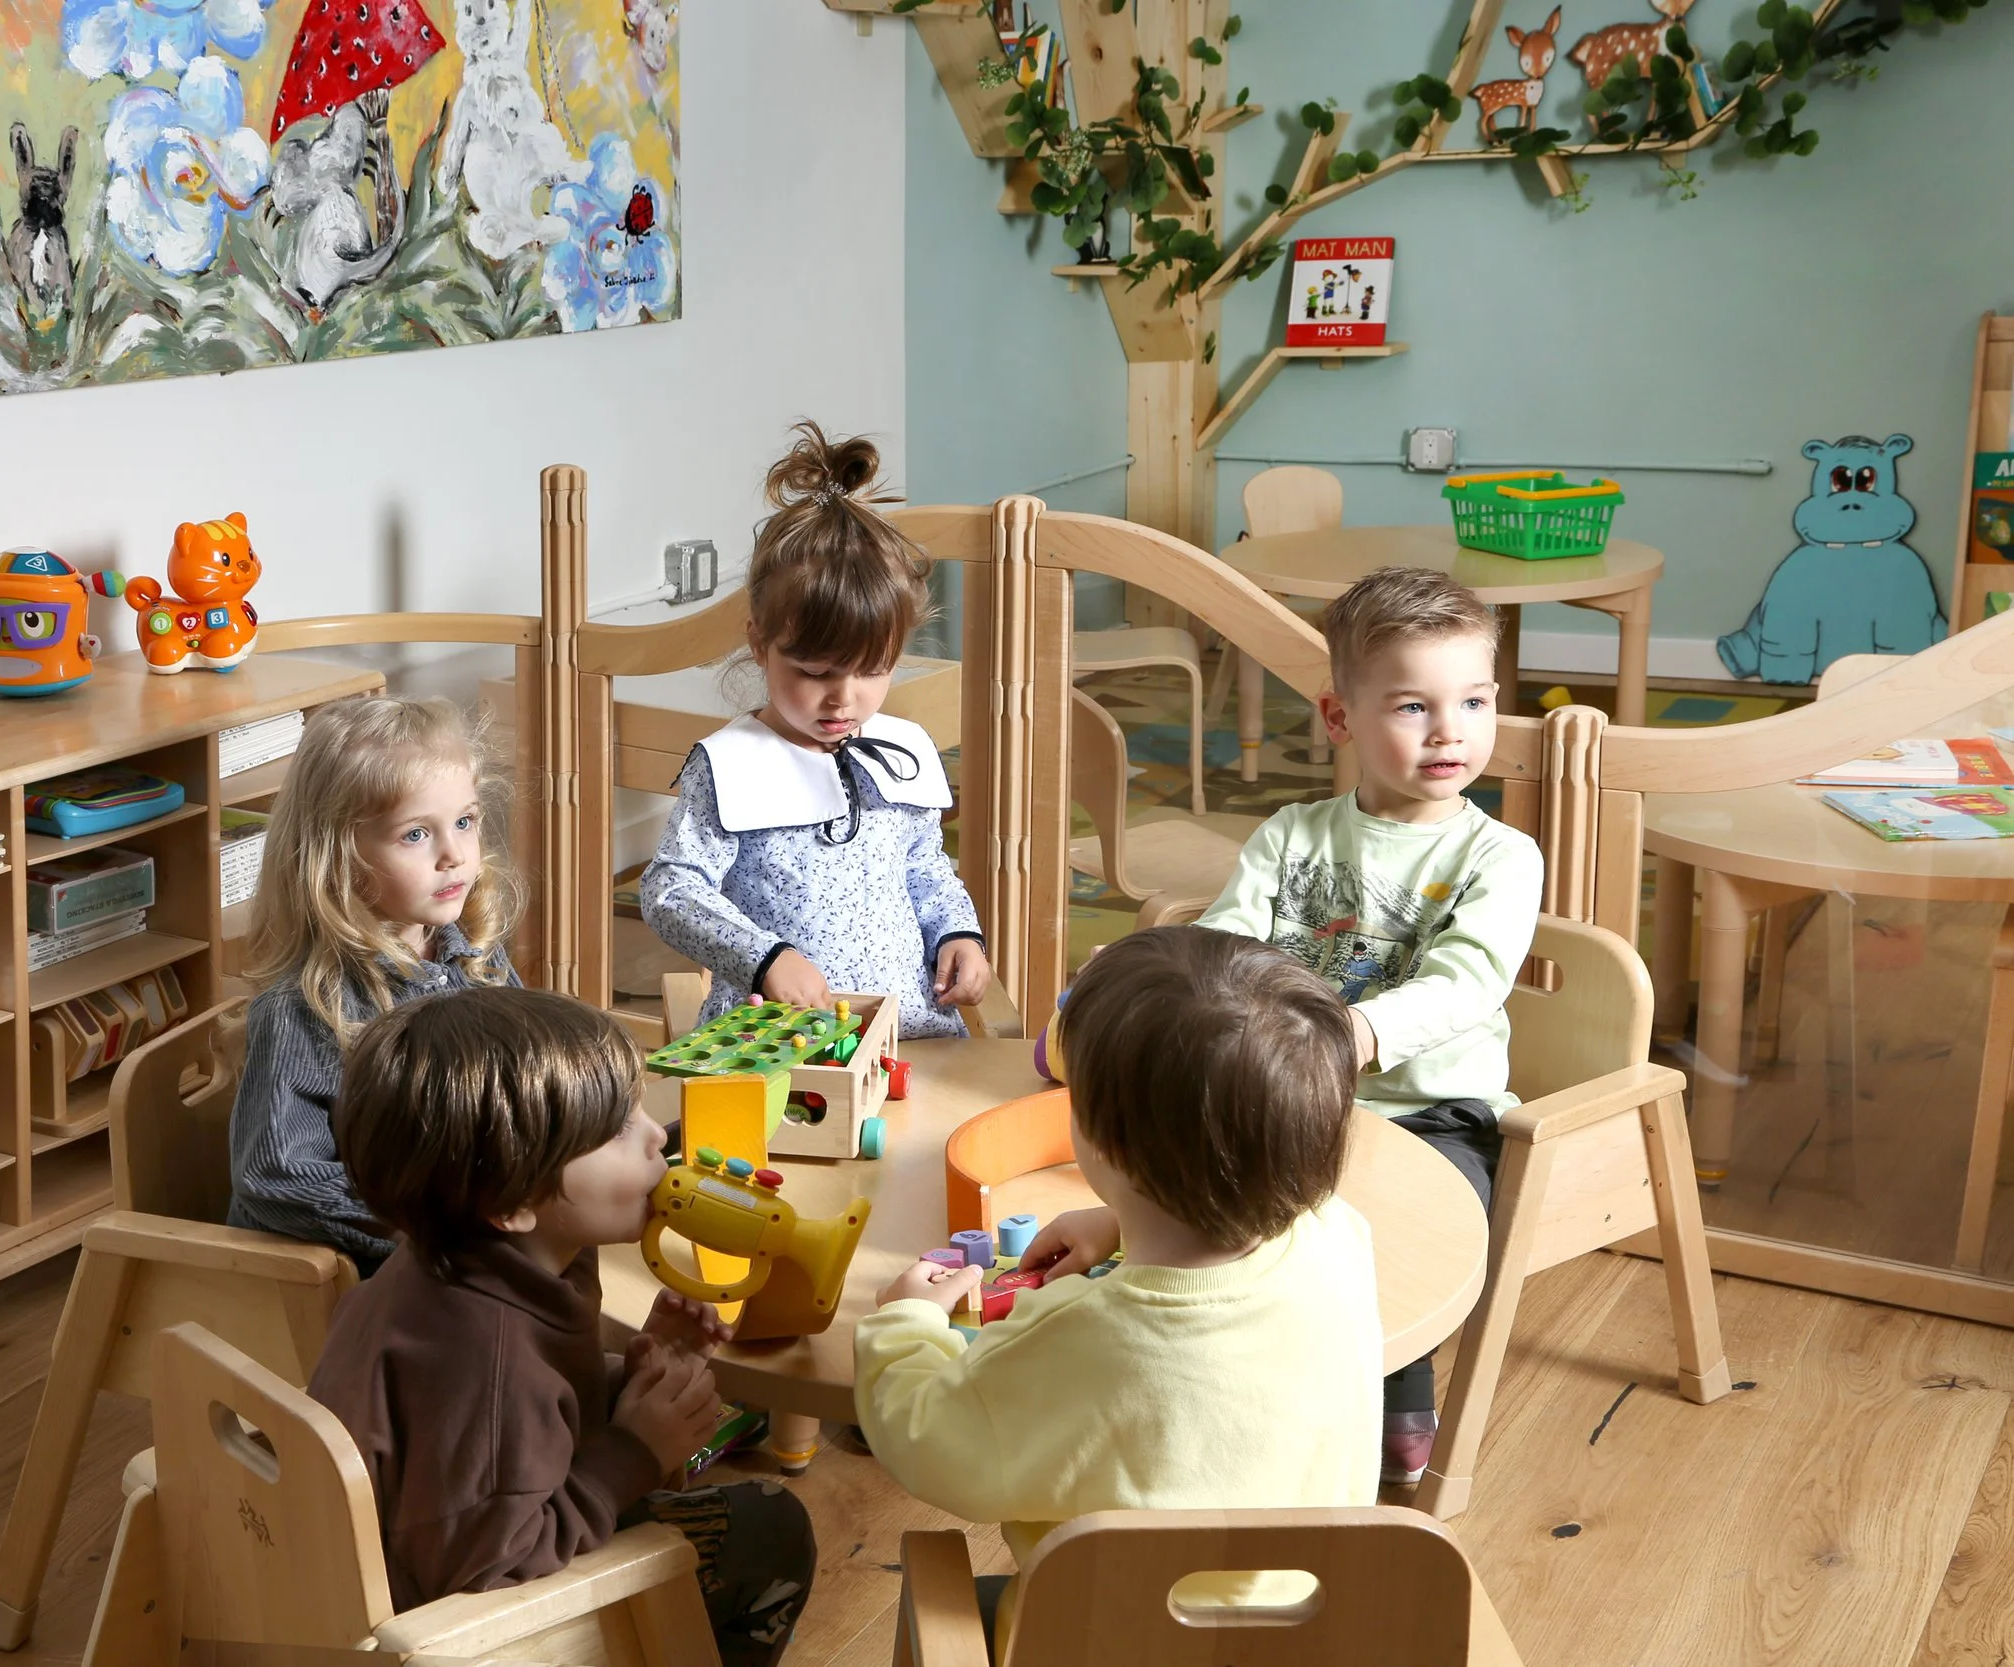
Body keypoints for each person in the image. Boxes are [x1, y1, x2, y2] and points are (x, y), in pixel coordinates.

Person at [856, 927, 1380, 1639]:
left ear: (1104, 1143)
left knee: (958, 1599)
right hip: (1305, 1642)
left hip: (1100, 1644)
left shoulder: (1083, 1334)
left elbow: (929, 1437)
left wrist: (905, 1324)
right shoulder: (1340, 1239)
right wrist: (1123, 1220)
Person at [306, 987, 815, 1666]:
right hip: (458, 1625)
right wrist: (634, 1450)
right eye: (614, 1130)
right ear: (515, 1199)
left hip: (423, 1545)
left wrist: (626, 1380)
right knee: (771, 1529)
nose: (655, 1134)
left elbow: (507, 1435)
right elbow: (490, 1561)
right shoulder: (485, 1358)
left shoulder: (467, 1261)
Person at [1193, 564, 1544, 1485]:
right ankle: (1210, 1366)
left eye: (1472, 701)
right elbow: (1227, 946)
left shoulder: (1499, 855)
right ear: (1341, 719)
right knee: (1196, 1192)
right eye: (1413, 707)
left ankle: (1397, 1377)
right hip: (1287, 1089)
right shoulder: (1290, 836)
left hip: (1436, 1111)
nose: (1450, 730)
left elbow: (1467, 981)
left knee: (1385, 1228)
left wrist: (1355, 1034)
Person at [641, 422, 990, 1039]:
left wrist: (957, 933)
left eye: (873, 671)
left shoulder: (901, 750)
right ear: (759, 641)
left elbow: (925, 868)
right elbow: (671, 890)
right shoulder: (729, 766)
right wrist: (764, 958)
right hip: (776, 1041)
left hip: (911, 1035)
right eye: (815, 672)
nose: (844, 698)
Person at [227, 694, 521, 1275]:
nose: (455, 855)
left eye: (465, 821)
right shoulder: (303, 1009)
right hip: (353, 1282)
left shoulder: (474, 956)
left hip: (461, 1235)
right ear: (338, 856)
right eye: (416, 835)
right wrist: (439, 1224)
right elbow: (276, 1176)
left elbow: (526, 1069)